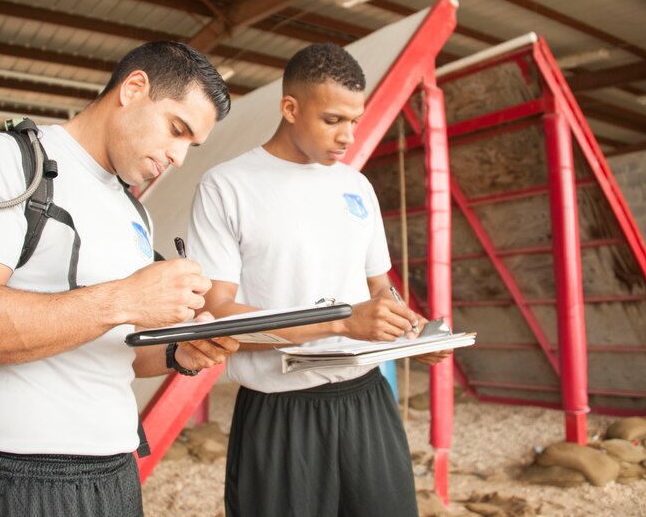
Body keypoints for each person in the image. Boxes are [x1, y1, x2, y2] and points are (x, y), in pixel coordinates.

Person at [0, 41, 237, 517]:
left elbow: (118, 352)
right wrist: (125, 297)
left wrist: (178, 352)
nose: (179, 156)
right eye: (177, 129)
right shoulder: (4, 161)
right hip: (18, 477)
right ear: (133, 89)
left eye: (191, 144)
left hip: (116, 473)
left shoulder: (135, 213)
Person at [187, 43, 449, 517]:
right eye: (332, 120)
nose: (348, 136)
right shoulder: (228, 186)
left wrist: (410, 333)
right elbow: (217, 317)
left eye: (354, 120)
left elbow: (379, 290)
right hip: (280, 411)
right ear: (290, 108)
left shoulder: (356, 186)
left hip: (366, 398)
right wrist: (342, 322)